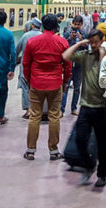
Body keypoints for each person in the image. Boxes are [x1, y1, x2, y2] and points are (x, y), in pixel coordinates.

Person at [64, 30, 106, 187]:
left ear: (102, 41)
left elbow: (104, 68)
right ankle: (88, 165)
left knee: (102, 143)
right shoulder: (85, 55)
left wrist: (102, 50)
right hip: (85, 105)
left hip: (101, 106)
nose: (93, 45)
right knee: (80, 139)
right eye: (91, 42)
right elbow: (65, 56)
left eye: (96, 42)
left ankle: (101, 175)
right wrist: (79, 43)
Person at [23, 14, 72, 160]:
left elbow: (26, 64)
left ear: (42, 25)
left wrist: (30, 81)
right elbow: (68, 66)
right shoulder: (62, 42)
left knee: (35, 116)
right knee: (54, 116)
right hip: (55, 83)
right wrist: (64, 82)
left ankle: (31, 150)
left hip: (37, 83)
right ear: (57, 25)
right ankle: (54, 151)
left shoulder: (32, 41)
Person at [16, 18, 43, 119]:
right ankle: (37, 109)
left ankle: (28, 110)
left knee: (25, 89)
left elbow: (17, 50)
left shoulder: (25, 36)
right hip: (39, 66)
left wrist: (12, 64)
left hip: (26, 66)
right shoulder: (42, 36)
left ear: (32, 25)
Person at [62, 15, 86, 117]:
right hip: (69, 63)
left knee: (77, 87)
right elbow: (63, 45)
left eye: (78, 25)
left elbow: (88, 47)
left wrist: (82, 41)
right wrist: (69, 38)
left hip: (79, 64)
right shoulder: (68, 32)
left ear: (81, 24)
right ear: (72, 23)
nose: (76, 27)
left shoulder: (85, 34)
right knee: (65, 87)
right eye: (75, 24)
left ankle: (74, 108)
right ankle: (61, 109)